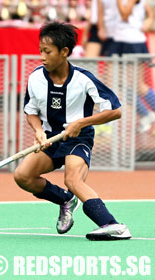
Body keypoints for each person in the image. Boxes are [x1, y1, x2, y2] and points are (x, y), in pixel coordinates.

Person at [14, 21, 131, 241]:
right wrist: (38, 130)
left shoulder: (83, 79)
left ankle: (114, 225)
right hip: (51, 138)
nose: (42, 56)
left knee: (73, 180)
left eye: (47, 52)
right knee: (23, 176)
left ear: (64, 52)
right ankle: (65, 200)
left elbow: (115, 111)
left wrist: (81, 123)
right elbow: (31, 111)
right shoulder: (36, 78)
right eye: (40, 51)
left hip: (78, 137)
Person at [108, 0, 155, 133]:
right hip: (119, 41)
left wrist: (148, 22)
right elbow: (148, 12)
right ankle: (146, 114)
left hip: (133, 42)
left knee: (137, 85)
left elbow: (125, 15)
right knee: (117, 85)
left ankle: (148, 114)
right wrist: (148, 20)